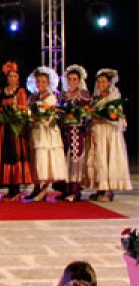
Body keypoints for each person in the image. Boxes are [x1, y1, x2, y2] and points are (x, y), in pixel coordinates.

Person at [83, 68, 132, 202]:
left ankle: (108, 191)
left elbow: (118, 119)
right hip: (97, 132)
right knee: (99, 159)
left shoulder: (113, 98)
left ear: (109, 83)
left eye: (104, 82)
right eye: (99, 82)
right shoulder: (95, 99)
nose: (101, 84)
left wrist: (100, 119)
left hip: (109, 133)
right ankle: (100, 187)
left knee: (108, 158)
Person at [24, 66, 67, 202]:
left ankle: (44, 190)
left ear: (48, 83)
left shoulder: (51, 98)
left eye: (43, 82)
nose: (40, 84)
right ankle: (36, 187)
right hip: (36, 132)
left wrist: (40, 116)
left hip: (47, 133)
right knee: (36, 160)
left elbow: (50, 116)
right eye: (38, 82)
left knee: (46, 160)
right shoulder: (32, 97)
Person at [0, 61, 33, 201]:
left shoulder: (20, 92)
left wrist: (16, 117)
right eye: (10, 76)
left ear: (18, 78)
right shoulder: (1, 92)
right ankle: (9, 188)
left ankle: (16, 189)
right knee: (4, 155)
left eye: (15, 76)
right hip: (4, 128)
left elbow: (23, 110)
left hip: (16, 129)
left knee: (16, 155)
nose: (12, 79)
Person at [54, 65, 92, 201]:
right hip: (65, 131)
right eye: (69, 79)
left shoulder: (84, 94)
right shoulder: (64, 95)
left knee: (75, 159)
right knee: (65, 160)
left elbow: (87, 112)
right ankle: (66, 189)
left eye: (75, 79)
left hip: (77, 131)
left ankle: (75, 191)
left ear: (79, 80)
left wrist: (78, 115)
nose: (72, 82)